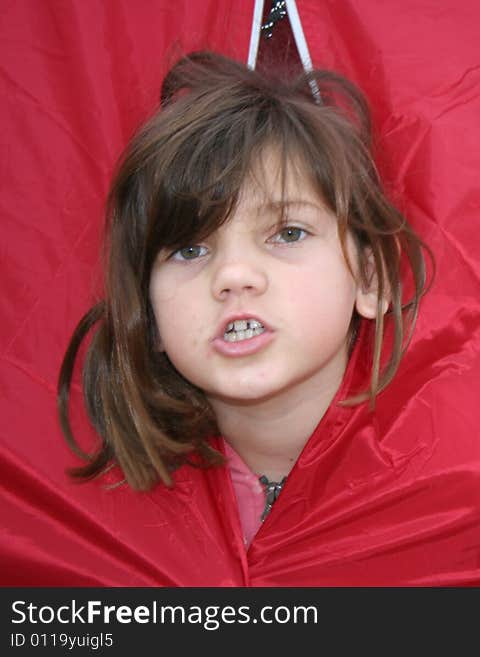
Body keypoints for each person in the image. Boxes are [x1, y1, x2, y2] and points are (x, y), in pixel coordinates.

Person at [57, 51, 430, 548]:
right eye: (190, 249)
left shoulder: (445, 478)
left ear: (371, 277)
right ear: (147, 316)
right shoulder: (103, 528)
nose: (233, 275)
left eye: (288, 233)